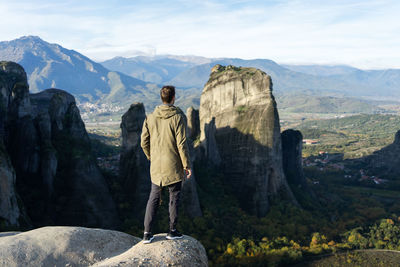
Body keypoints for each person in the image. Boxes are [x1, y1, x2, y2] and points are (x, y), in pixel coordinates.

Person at [140, 85, 192, 244]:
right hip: (173, 165)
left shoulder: (150, 117)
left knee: (153, 198)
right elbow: (182, 144)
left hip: (156, 166)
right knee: (174, 197)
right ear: (173, 97)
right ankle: (172, 231)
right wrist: (186, 165)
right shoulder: (178, 117)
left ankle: (147, 234)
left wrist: (151, 156)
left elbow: (143, 142)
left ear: (162, 98)